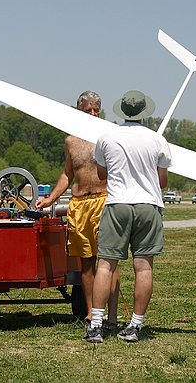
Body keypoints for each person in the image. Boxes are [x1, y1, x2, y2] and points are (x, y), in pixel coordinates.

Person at [84, 90, 171, 343]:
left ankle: (96, 326)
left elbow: (102, 174)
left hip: (117, 204)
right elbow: (162, 181)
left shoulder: (107, 137)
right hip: (148, 205)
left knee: (105, 265)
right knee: (143, 267)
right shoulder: (157, 140)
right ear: (145, 113)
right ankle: (135, 326)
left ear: (121, 112)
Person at [35, 91, 120, 329]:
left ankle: (111, 317)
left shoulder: (109, 136)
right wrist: (51, 198)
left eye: (96, 110)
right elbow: (67, 174)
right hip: (79, 204)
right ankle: (92, 314)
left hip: (104, 200)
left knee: (108, 260)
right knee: (85, 263)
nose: (92, 114)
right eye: (87, 111)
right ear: (78, 111)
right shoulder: (71, 140)